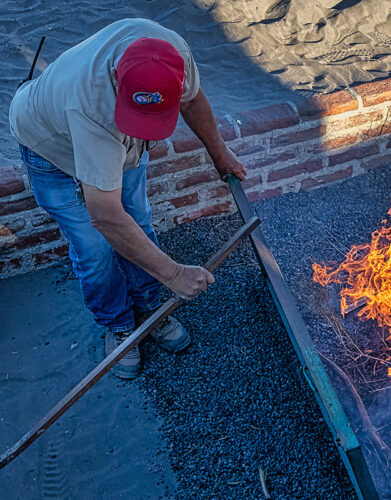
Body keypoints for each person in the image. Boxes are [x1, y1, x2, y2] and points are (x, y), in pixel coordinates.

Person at [8, 18, 247, 379]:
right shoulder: (89, 105)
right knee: (95, 250)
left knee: (138, 221)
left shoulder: (172, 54)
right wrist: (175, 274)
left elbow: (194, 99)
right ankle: (119, 325)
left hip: (112, 142)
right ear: (119, 83)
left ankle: (151, 307)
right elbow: (105, 215)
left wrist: (219, 152)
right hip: (51, 147)